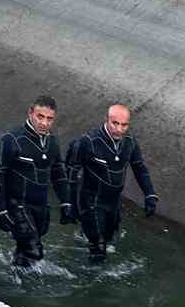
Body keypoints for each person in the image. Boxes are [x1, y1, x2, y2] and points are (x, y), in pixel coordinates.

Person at [0, 95, 74, 268]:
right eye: (40, 117)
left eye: (49, 119)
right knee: (34, 250)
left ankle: (10, 280)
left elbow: (58, 174)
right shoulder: (11, 140)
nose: (44, 123)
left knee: (25, 254)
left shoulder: (52, 143)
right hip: (16, 205)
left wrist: (66, 202)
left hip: (40, 206)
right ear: (30, 113)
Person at [66, 103, 159, 263]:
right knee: (99, 249)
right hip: (91, 201)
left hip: (113, 203)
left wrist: (150, 194)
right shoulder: (88, 141)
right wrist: (70, 205)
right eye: (115, 123)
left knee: (109, 240)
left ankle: (83, 239)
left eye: (124, 125)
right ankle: (89, 282)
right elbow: (70, 173)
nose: (119, 129)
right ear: (106, 120)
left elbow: (140, 168)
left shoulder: (130, 142)